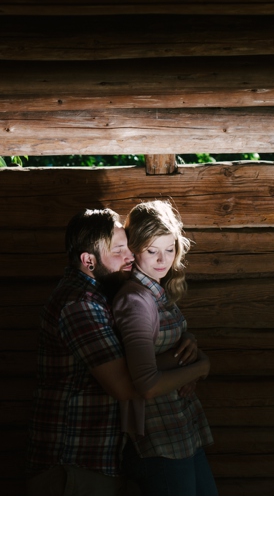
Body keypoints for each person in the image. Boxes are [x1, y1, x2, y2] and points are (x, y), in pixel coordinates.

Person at [25, 207, 210, 495]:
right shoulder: (80, 305)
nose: (130, 256)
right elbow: (128, 385)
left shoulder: (101, 293)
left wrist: (183, 344)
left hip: (94, 456)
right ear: (88, 260)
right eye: (119, 250)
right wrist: (195, 364)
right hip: (71, 463)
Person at [112, 200, 217, 495]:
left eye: (169, 249)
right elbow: (145, 383)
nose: (162, 260)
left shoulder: (154, 291)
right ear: (134, 249)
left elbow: (159, 352)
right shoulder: (136, 301)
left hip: (180, 426)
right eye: (152, 250)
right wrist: (200, 367)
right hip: (158, 436)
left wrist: (188, 347)